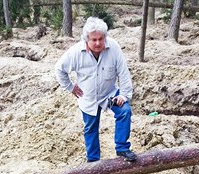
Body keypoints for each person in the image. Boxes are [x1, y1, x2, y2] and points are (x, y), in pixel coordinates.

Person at [55, 17, 137, 163]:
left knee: (124, 111)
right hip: (88, 97)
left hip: (109, 94)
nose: (98, 43)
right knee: (91, 128)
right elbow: (59, 69)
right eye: (94, 39)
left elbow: (123, 72)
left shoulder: (114, 48)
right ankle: (93, 162)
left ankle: (122, 148)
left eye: (101, 38)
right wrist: (70, 87)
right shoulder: (75, 52)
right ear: (86, 39)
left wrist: (124, 95)